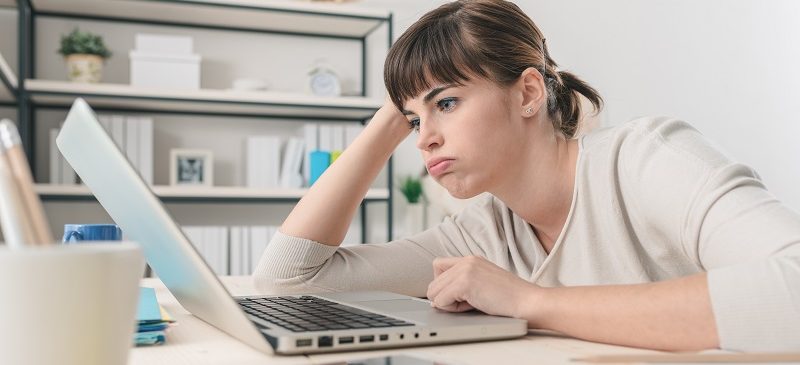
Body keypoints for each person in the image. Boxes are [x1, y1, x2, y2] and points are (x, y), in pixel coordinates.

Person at [254, 0, 800, 352]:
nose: (423, 138)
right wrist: (386, 122)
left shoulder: (644, 160)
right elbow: (290, 282)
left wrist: (528, 301)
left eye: (447, 103)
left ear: (529, 93)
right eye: (414, 120)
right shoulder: (480, 233)